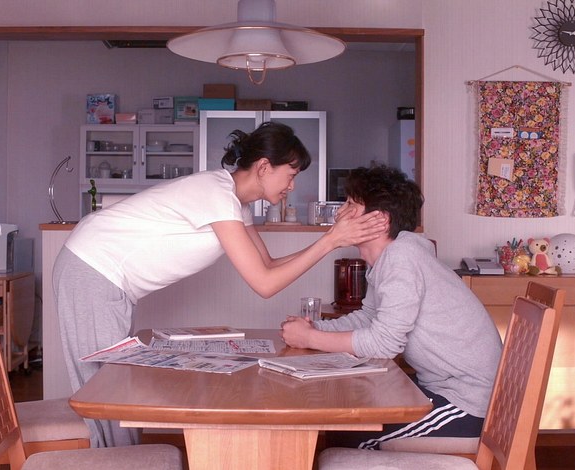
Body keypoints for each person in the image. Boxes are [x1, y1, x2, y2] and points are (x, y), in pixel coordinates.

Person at [53, 122, 387, 447]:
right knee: (107, 385)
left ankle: (125, 458)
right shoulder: (217, 194)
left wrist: (330, 240)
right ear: (264, 167)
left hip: (106, 276)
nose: (292, 186)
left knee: (116, 380)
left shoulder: (236, 205)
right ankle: (116, 462)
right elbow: (264, 284)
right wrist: (330, 241)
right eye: (291, 174)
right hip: (92, 265)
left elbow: (269, 266)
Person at [280, 165, 502, 450]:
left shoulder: (401, 258)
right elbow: (370, 318)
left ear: (380, 220)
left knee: (347, 437)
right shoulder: (391, 257)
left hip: (467, 404)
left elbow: (384, 344)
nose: (339, 213)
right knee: (343, 424)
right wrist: (315, 328)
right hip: (443, 390)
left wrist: (310, 338)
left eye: (350, 205)